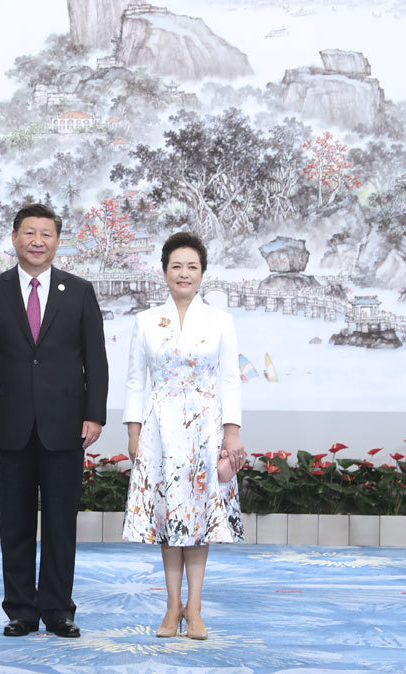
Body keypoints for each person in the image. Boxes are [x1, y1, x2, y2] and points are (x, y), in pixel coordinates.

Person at [0, 203, 108, 638]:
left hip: (66, 424)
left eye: (46, 234)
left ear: (57, 241)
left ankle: (58, 610)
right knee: (14, 522)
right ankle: (20, 611)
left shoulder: (80, 291)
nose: (37, 241)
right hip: (10, 423)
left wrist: (95, 414)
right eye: (29, 233)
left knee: (60, 522)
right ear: (14, 238)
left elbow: (96, 361)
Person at [122, 232, 245, 640]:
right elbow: (135, 381)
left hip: (206, 432)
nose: (184, 273)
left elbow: (230, 380)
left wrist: (232, 434)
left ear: (203, 273)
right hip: (160, 430)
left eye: (192, 266)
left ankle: (195, 608)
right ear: (164, 272)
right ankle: (172, 607)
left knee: (199, 520)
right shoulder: (145, 320)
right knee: (169, 519)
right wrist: (134, 432)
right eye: (177, 266)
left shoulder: (220, 320)